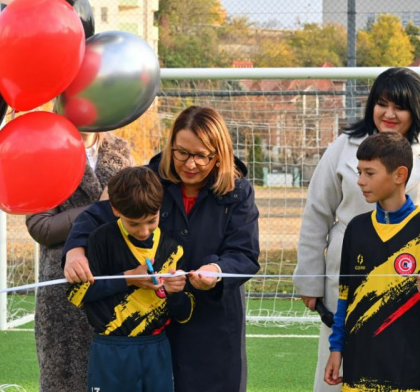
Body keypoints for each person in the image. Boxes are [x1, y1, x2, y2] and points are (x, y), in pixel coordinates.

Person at [293, 67, 420, 392]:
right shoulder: (342, 148)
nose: (389, 114)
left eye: (399, 106)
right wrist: (309, 279)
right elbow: (316, 215)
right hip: (352, 286)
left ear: (416, 109)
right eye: (381, 103)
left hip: (418, 292)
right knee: (344, 377)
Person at [62, 106, 260, 392]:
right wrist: (75, 251)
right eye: (182, 152)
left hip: (214, 325)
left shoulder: (238, 193)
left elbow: (244, 255)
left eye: (201, 156)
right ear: (171, 146)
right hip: (155, 326)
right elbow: (96, 215)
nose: (190, 164)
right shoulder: (148, 179)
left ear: (218, 155)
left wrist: (216, 271)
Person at [324, 132, 420, 391]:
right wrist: (336, 348)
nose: (360, 181)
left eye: (369, 173)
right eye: (359, 172)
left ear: (399, 175)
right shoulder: (356, 229)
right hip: (361, 368)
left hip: (414, 372)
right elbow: (345, 299)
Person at [67, 166, 192, 391]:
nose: (144, 231)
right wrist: (127, 278)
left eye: (151, 221)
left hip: (157, 347)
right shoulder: (100, 240)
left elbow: (183, 314)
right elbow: (77, 294)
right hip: (111, 348)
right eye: (134, 223)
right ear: (115, 210)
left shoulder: (173, 248)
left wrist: (175, 293)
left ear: (160, 209)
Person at [25, 131, 132, 392]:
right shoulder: (45, 150)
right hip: (64, 288)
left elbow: (135, 211)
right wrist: (103, 208)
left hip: (115, 285)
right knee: (64, 379)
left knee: (113, 378)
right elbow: (41, 227)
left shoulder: (120, 149)